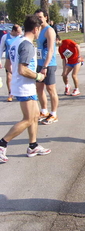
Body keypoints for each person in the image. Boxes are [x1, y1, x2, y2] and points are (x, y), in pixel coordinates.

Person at [0, 15, 51, 163]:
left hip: (23, 85)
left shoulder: (16, 41)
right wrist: (38, 77)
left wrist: (14, 75)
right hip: (24, 86)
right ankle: (2, 143)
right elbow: (23, 69)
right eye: (39, 30)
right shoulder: (27, 45)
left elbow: (9, 64)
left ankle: (33, 145)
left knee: (35, 116)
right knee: (28, 119)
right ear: (35, 29)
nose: (39, 33)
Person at [34, 9, 59, 125]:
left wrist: (45, 66)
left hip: (49, 64)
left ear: (46, 17)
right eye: (37, 17)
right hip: (39, 63)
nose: (39, 19)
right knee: (39, 88)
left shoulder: (49, 31)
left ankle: (54, 114)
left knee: (50, 89)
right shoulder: (38, 30)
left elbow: (51, 50)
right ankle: (44, 111)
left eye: (40, 17)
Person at [0, 24, 23, 102]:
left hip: (18, 60)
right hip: (9, 59)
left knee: (19, 75)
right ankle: (10, 93)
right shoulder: (5, 37)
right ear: (13, 31)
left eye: (20, 32)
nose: (20, 33)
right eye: (18, 32)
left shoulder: (21, 37)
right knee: (9, 76)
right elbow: (1, 49)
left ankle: (19, 92)